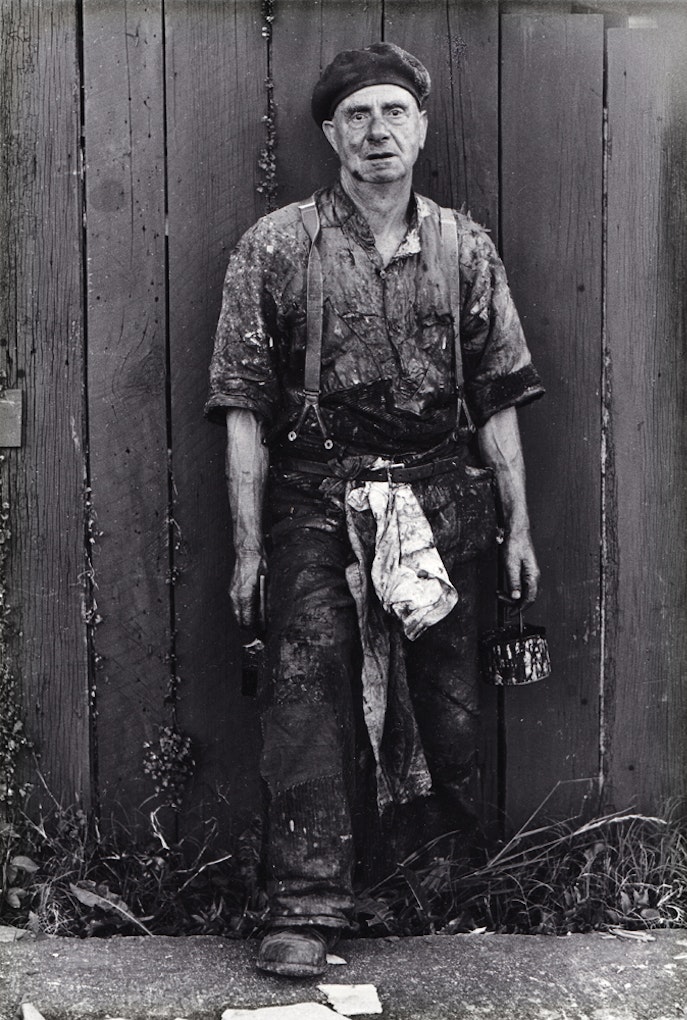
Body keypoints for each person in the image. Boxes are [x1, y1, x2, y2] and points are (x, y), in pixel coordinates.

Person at [206, 42, 544, 978]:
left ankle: (421, 886)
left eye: (394, 111)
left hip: (437, 498)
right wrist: (247, 549)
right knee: (306, 691)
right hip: (316, 496)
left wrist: (517, 525)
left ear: (422, 126)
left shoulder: (462, 247)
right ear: (330, 134)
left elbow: (500, 398)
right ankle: (306, 907)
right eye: (357, 116)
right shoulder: (277, 246)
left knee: (447, 704)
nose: (377, 131)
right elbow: (242, 407)